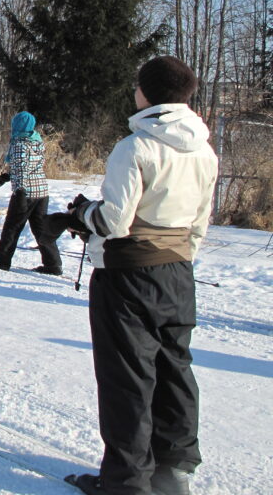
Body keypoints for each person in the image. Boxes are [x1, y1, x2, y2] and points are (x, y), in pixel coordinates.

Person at [62, 57, 218, 495]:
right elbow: (200, 222)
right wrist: (180, 258)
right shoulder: (204, 150)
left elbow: (115, 221)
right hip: (178, 272)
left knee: (128, 377)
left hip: (128, 274)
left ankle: (127, 481)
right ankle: (174, 470)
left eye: (137, 85)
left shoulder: (135, 147)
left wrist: (82, 213)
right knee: (175, 370)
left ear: (147, 93)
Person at [0, 111, 64, 274]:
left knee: (12, 227)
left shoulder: (19, 143)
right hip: (41, 192)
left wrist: (20, 192)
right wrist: (4, 177)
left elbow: (21, 169)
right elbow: (29, 166)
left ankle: (2, 260)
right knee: (41, 228)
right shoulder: (36, 141)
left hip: (26, 193)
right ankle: (53, 264)